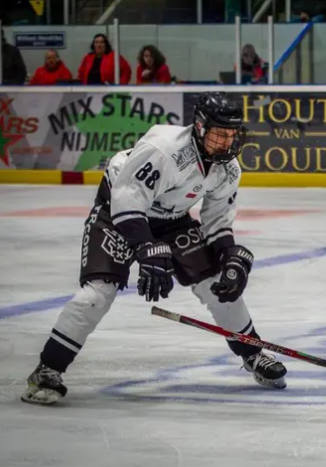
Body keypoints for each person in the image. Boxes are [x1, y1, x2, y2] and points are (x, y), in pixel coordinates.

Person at [21, 92, 287, 405]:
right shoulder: (164, 149)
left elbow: (216, 221)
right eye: (220, 133)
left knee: (217, 284)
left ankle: (252, 353)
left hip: (172, 219)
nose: (228, 142)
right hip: (117, 213)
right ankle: (48, 368)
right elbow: (127, 199)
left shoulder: (228, 169)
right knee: (98, 293)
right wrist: (146, 248)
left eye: (232, 134)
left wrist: (229, 257)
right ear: (200, 127)